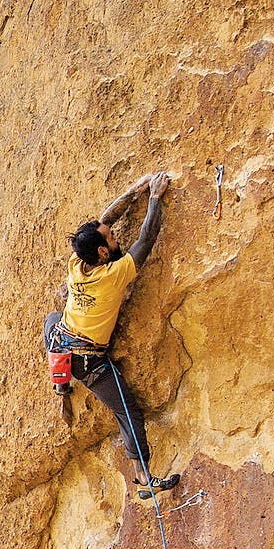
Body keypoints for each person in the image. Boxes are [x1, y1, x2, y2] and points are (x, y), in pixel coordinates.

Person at [45, 173, 179, 497]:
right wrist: (155, 198)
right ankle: (143, 477)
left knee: (52, 318)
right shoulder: (114, 275)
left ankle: (60, 385)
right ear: (103, 254)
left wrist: (135, 189)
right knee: (128, 410)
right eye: (112, 239)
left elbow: (105, 219)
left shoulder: (78, 263)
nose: (116, 236)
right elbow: (146, 240)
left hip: (59, 339)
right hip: (88, 363)